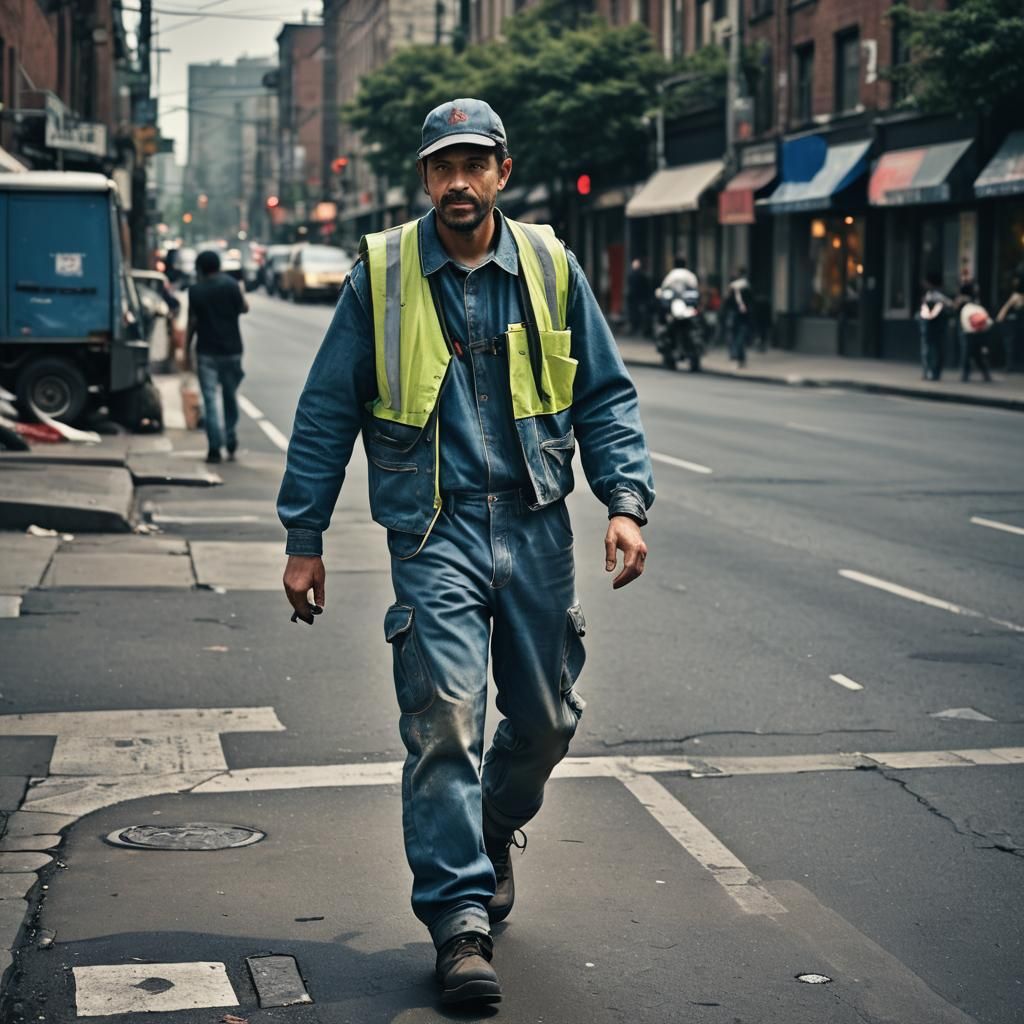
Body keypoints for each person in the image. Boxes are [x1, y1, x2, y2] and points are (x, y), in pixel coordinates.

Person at [277, 98, 654, 1007]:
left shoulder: (552, 267)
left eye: (473, 164)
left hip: (534, 525)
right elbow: (329, 407)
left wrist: (625, 503)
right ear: (424, 179)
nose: (458, 182)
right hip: (434, 531)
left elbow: (603, 395)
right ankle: (459, 924)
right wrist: (305, 536)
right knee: (444, 722)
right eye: (442, 166)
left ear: (501, 172)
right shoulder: (382, 274)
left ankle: (493, 825)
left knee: (549, 720)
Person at [186, 249, 248, 463]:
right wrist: (240, 290)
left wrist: (186, 350)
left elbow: (192, 323)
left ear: (201, 269)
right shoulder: (231, 285)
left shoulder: (195, 290)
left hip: (206, 351)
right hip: (232, 351)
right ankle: (230, 437)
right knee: (230, 396)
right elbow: (244, 308)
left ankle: (214, 447)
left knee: (210, 399)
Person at [917, 271, 950, 381]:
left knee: (934, 351)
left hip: (935, 329)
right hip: (928, 328)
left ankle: (933, 372)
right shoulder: (928, 296)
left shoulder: (938, 298)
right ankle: (928, 372)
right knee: (928, 351)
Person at [957, 283, 994, 382]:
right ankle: (982, 374)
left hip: (969, 333)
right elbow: (988, 321)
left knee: (968, 355)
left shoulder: (966, 306)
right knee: (975, 355)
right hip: (977, 333)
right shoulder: (974, 305)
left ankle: (966, 375)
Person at [724, 267, 753, 368]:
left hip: (735, 315)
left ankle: (736, 356)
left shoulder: (733, 287)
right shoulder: (747, 286)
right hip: (743, 316)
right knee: (740, 337)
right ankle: (740, 358)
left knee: (735, 336)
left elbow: (727, 302)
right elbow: (751, 302)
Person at [626, 257, 651, 336]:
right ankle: (636, 328)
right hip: (637, 298)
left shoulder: (637, 275)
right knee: (636, 313)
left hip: (638, 298)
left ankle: (637, 328)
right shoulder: (635, 275)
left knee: (637, 314)